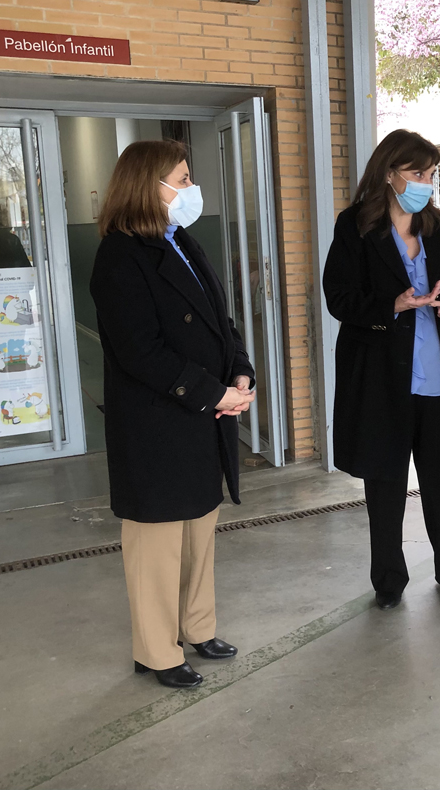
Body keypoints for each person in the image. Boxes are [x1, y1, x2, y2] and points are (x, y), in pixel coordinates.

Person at [90, 140, 255, 689]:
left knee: (199, 532)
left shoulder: (181, 240)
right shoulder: (119, 256)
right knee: (157, 547)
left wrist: (240, 371)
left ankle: (198, 626)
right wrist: (214, 395)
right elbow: (141, 352)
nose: (189, 191)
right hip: (158, 424)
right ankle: (156, 651)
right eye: (181, 180)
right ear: (148, 186)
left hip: (203, 417)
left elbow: (219, 318)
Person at [323, 129, 440, 610]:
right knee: (385, 487)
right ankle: (388, 580)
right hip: (382, 383)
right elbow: (339, 297)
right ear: (389, 173)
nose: (425, 182)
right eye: (416, 173)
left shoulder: (439, 227)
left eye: (431, 173)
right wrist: (392, 303)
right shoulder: (355, 228)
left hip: (437, 379)